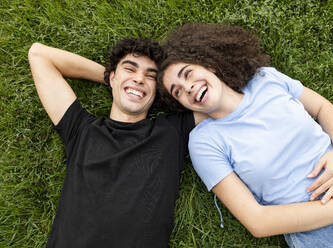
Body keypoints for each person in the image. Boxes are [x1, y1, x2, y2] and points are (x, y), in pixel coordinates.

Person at [159, 23, 333, 247]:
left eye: (188, 74)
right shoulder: (204, 142)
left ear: (209, 66)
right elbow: (257, 222)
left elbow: (322, 108)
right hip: (322, 231)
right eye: (178, 91)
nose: (188, 88)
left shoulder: (265, 79)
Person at [28, 38, 206, 247]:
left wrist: (128, 80)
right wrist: (113, 80)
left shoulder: (172, 131)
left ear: (158, 91)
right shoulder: (81, 129)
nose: (139, 79)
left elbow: (222, 97)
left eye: (151, 76)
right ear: (112, 77)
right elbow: (39, 55)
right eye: (130, 69)